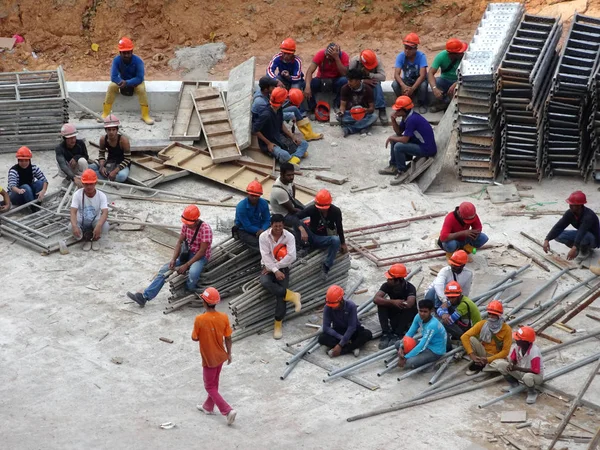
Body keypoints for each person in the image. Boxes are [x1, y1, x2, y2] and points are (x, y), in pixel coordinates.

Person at [127, 205, 213, 307]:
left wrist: (187, 265)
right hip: (188, 253)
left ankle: (189, 290)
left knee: (193, 273)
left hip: (200, 257)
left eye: (189, 223)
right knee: (164, 270)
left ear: (196, 220)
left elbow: (202, 251)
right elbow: (179, 242)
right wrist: (173, 259)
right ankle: (145, 297)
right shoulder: (186, 225)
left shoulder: (205, 229)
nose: (187, 225)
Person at [191, 287, 237, 425]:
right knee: (214, 382)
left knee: (209, 386)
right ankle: (208, 407)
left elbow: (194, 338)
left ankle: (227, 410)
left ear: (204, 302)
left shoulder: (200, 319)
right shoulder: (223, 317)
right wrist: (229, 354)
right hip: (220, 356)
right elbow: (228, 338)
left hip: (209, 358)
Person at [259, 214, 301, 339]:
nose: (278, 228)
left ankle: (278, 322)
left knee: (280, 295)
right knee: (265, 282)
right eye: (275, 225)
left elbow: (291, 256)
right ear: (271, 225)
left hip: (283, 267)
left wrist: (276, 268)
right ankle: (292, 295)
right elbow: (265, 256)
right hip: (267, 265)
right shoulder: (263, 237)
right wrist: (274, 270)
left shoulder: (289, 236)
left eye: (280, 226)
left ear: (284, 225)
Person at [379, 96, 436, 185]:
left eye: (398, 110)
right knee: (395, 139)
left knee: (398, 146)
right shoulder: (407, 117)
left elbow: (405, 140)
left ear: (404, 110)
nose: (396, 111)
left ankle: (402, 171)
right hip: (418, 143)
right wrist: (393, 120)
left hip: (426, 148)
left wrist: (391, 138)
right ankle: (393, 166)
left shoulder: (412, 119)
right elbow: (399, 132)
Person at [296, 189, 348, 280]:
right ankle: (304, 246)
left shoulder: (335, 211)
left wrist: (343, 243)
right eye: (319, 207)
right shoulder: (312, 209)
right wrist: (301, 229)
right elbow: (295, 217)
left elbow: (339, 227)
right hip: (311, 236)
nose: (321, 209)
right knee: (299, 224)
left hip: (324, 238)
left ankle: (326, 266)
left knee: (336, 240)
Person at [102, 37, 154, 125]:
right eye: (124, 53)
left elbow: (140, 77)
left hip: (135, 82)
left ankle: (145, 115)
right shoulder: (116, 60)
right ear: (120, 52)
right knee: (111, 86)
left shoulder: (138, 61)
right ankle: (105, 113)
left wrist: (128, 83)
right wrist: (120, 82)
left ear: (132, 51)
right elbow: (113, 77)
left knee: (141, 89)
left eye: (128, 52)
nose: (126, 55)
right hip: (122, 81)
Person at [252, 87, 308, 165]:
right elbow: (255, 130)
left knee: (304, 143)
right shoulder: (266, 114)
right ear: (282, 101)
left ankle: (294, 157)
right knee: (285, 155)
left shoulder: (279, 109)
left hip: (280, 138)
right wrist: (268, 143)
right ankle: (296, 156)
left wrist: (292, 136)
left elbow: (281, 124)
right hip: (270, 142)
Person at [319, 285, 373, 358]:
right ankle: (352, 347)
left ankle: (342, 350)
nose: (332, 307)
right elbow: (326, 327)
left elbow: (352, 327)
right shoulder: (327, 307)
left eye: (334, 305)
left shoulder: (351, 306)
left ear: (341, 300)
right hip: (339, 331)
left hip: (353, 331)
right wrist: (342, 338)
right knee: (322, 338)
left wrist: (340, 345)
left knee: (367, 334)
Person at [543, 190, 599, 261]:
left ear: (579, 206)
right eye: (570, 204)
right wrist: (547, 239)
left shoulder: (589, 216)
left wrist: (574, 247)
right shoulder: (570, 213)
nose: (570, 206)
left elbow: (582, 231)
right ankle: (579, 248)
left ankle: (585, 251)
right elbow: (559, 226)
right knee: (558, 235)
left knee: (585, 236)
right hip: (582, 234)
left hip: (592, 239)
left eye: (573, 205)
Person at [460, 300, 512, 375]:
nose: (491, 316)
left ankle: (483, 366)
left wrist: (488, 359)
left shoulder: (506, 329)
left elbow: (505, 351)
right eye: (489, 314)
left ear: (499, 316)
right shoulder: (483, 324)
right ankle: (481, 364)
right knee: (471, 339)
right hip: (483, 352)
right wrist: (472, 355)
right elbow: (464, 337)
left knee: (502, 366)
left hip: (495, 357)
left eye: (493, 314)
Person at [495, 326, 544, 404]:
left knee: (527, 377)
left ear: (525, 341)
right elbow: (513, 358)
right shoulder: (518, 347)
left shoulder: (534, 352)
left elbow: (535, 370)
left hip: (534, 376)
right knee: (501, 365)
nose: (515, 339)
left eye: (518, 338)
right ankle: (514, 385)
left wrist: (516, 368)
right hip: (521, 372)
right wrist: (511, 364)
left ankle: (532, 393)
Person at [374, 264, 417, 349]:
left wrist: (400, 303)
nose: (387, 280)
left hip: (406, 315)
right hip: (395, 312)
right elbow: (376, 299)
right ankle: (385, 332)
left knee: (408, 308)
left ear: (398, 280)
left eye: (390, 279)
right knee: (381, 305)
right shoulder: (386, 285)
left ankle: (398, 333)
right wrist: (393, 302)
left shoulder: (410, 288)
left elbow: (410, 303)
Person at [397, 299, 447, 370]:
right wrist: (401, 347)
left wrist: (405, 357)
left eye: (425, 311)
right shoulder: (418, 317)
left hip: (435, 351)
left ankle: (435, 363)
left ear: (431, 311)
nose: (422, 314)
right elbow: (409, 334)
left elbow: (422, 345)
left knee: (409, 362)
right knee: (398, 344)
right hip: (425, 343)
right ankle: (416, 357)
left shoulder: (433, 325)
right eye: (420, 311)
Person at [69, 169, 109, 251]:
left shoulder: (101, 195)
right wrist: (74, 226)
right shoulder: (77, 194)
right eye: (86, 184)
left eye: (91, 184)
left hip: (94, 221)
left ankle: (95, 239)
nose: (89, 187)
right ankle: (86, 238)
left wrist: (99, 226)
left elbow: (105, 212)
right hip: (81, 221)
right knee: (70, 227)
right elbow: (73, 212)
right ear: (83, 183)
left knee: (105, 226)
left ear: (95, 183)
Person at [304, 42, 349, 112]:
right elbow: (310, 71)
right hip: (322, 80)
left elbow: (344, 74)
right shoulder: (321, 54)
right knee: (310, 83)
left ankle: (337, 104)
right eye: (327, 55)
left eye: (330, 57)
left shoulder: (344, 56)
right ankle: (313, 108)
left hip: (336, 81)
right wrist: (307, 86)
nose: (328, 58)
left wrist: (337, 59)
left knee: (344, 81)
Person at [427, 38, 467, 112]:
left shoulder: (465, 58)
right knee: (437, 82)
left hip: (459, 80)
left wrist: (456, 83)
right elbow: (430, 73)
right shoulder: (441, 56)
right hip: (445, 80)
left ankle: (451, 105)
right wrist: (435, 88)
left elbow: (468, 75)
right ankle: (444, 103)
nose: (462, 53)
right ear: (452, 54)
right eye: (459, 52)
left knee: (460, 88)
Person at [349, 49, 388, 125]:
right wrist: (363, 81)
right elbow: (349, 77)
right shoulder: (354, 62)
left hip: (372, 82)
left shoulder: (377, 60)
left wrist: (370, 75)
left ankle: (381, 108)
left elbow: (383, 77)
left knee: (377, 84)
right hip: (358, 83)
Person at [392, 33, 428, 112]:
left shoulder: (421, 56)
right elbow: (396, 74)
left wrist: (413, 88)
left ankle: (421, 103)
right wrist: (403, 86)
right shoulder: (400, 56)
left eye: (410, 48)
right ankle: (403, 101)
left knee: (423, 85)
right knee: (395, 84)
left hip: (418, 81)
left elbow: (422, 75)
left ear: (415, 48)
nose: (407, 50)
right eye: (406, 48)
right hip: (407, 81)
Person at [336, 68, 378, 137]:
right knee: (338, 117)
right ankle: (363, 127)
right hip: (350, 113)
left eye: (351, 81)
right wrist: (341, 112)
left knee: (374, 116)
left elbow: (372, 108)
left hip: (363, 114)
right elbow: (342, 105)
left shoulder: (367, 89)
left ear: (358, 81)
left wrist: (365, 110)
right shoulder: (344, 88)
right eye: (348, 80)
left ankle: (350, 129)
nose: (348, 83)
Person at [90, 115, 132, 183]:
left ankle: (98, 176)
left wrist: (115, 171)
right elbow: (101, 154)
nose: (111, 132)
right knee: (89, 168)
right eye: (109, 130)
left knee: (122, 176)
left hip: (121, 164)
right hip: (110, 161)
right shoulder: (103, 139)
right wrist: (101, 167)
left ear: (117, 130)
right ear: (105, 130)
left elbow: (127, 159)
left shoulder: (123, 141)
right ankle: (105, 176)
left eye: (113, 129)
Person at [234, 180, 270, 252]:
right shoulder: (241, 207)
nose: (254, 198)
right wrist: (260, 231)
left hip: (260, 227)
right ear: (248, 194)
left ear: (260, 195)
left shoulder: (263, 203)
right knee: (258, 244)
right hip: (243, 229)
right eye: (252, 195)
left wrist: (263, 229)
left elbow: (267, 219)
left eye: (256, 196)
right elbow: (247, 226)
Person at [55, 123, 91, 188]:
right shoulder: (59, 148)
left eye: (74, 137)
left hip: (77, 169)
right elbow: (63, 165)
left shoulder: (80, 144)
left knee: (82, 161)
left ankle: (84, 178)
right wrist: (74, 178)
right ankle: (69, 178)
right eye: (70, 138)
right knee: (60, 163)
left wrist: (76, 158)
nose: (73, 140)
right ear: (65, 138)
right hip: (67, 169)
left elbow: (86, 156)